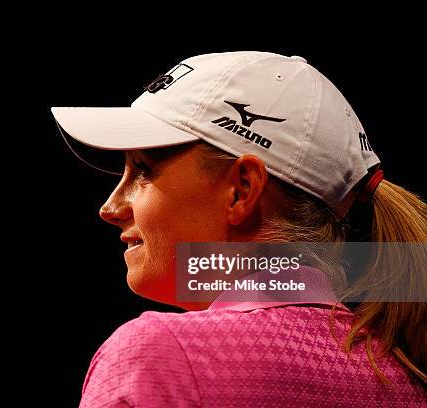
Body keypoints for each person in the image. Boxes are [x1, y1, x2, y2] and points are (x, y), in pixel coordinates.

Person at [51, 51, 426, 407]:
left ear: (242, 189)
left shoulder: (160, 357)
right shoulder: (405, 378)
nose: (110, 208)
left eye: (144, 170)